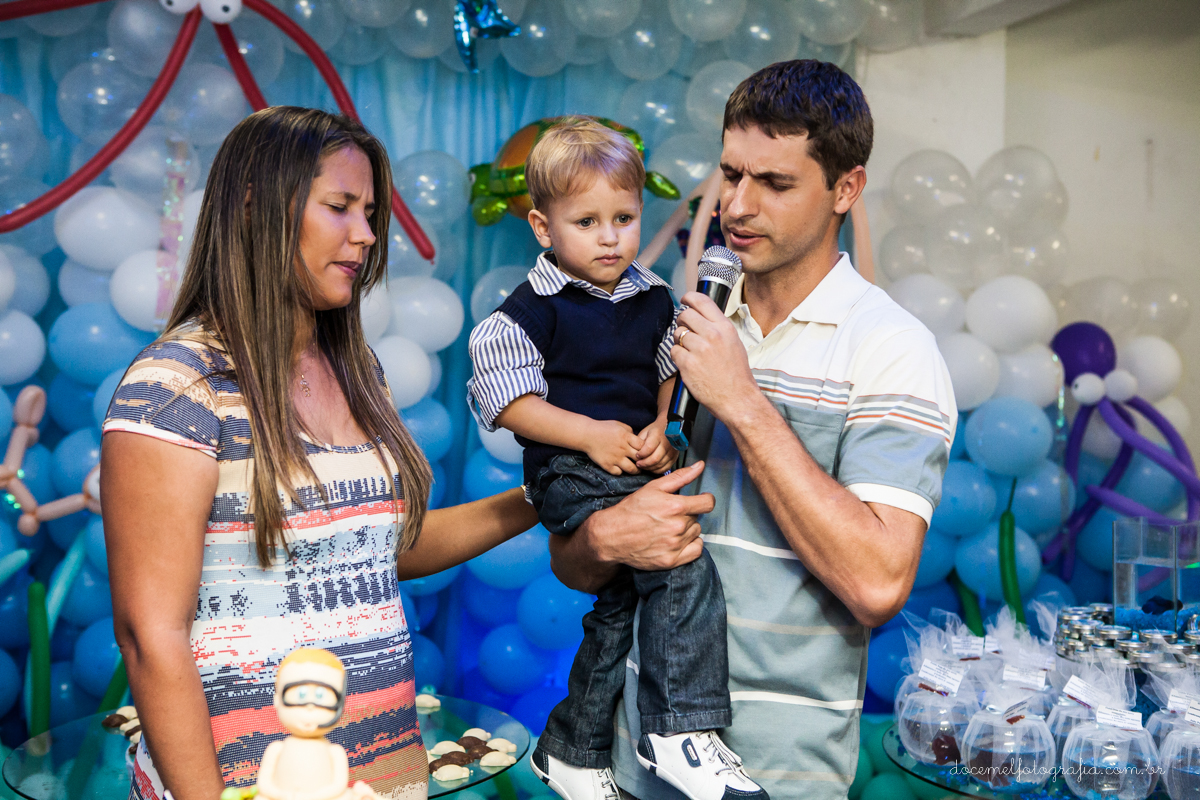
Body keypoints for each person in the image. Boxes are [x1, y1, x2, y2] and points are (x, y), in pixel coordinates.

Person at [100, 107, 550, 800]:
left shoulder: (359, 370)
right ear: (257, 211)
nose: (367, 235)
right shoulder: (177, 385)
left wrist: (539, 496)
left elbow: (380, 551)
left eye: (369, 212)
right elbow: (149, 635)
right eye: (340, 206)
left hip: (385, 777)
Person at [549, 61, 958, 800]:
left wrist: (739, 400)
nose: (737, 205)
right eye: (730, 174)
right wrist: (605, 538)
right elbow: (578, 564)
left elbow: (876, 581)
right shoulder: (679, 325)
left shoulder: (891, 349)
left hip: (780, 774)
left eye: (774, 183)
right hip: (628, 764)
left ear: (846, 189)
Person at [466, 118, 765, 800]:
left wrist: (661, 424)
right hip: (570, 471)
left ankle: (572, 748)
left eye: (624, 218)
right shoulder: (532, 308)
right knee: (679, 559)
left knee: (623, 602)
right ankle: (680, 728)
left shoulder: (653, 295)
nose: (610, 237)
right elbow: (508, 397)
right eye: (588, 221)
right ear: (544, 228)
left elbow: (668, 365)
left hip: (630, 464)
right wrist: (587, 435)